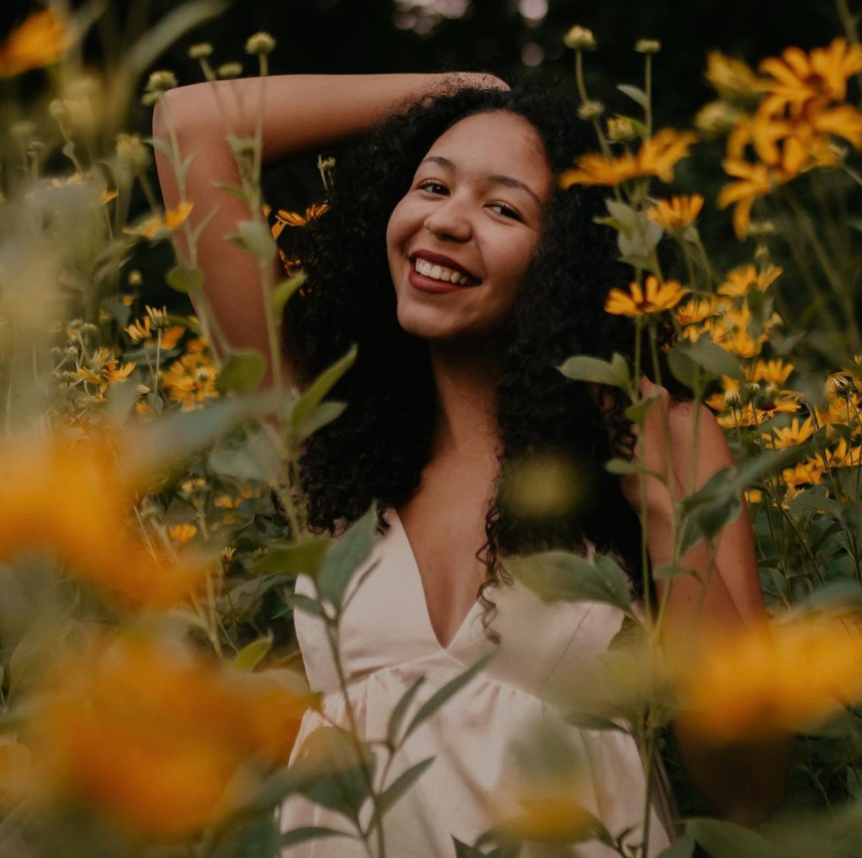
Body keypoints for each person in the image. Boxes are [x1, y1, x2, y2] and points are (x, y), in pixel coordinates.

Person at [153, 73, 789, 857]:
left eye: (502, 207)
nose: (447, 221)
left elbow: (750, 784)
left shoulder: (666, 437)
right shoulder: (322, 424)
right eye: (431, 185)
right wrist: (463, 90)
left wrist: (663, 507)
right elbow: (189, 125)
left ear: (565, 260)